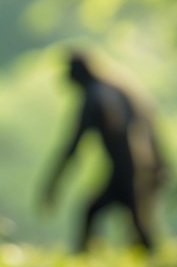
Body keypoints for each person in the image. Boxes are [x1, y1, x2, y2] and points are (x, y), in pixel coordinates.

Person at [42, 52, 166, 250]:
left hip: (128, 171)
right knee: (127, 221)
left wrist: (52, 184)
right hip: (140, 167)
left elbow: (73, 146)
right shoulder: (115, 90)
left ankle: (83, 260)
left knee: (130, 223)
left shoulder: (95, 98)